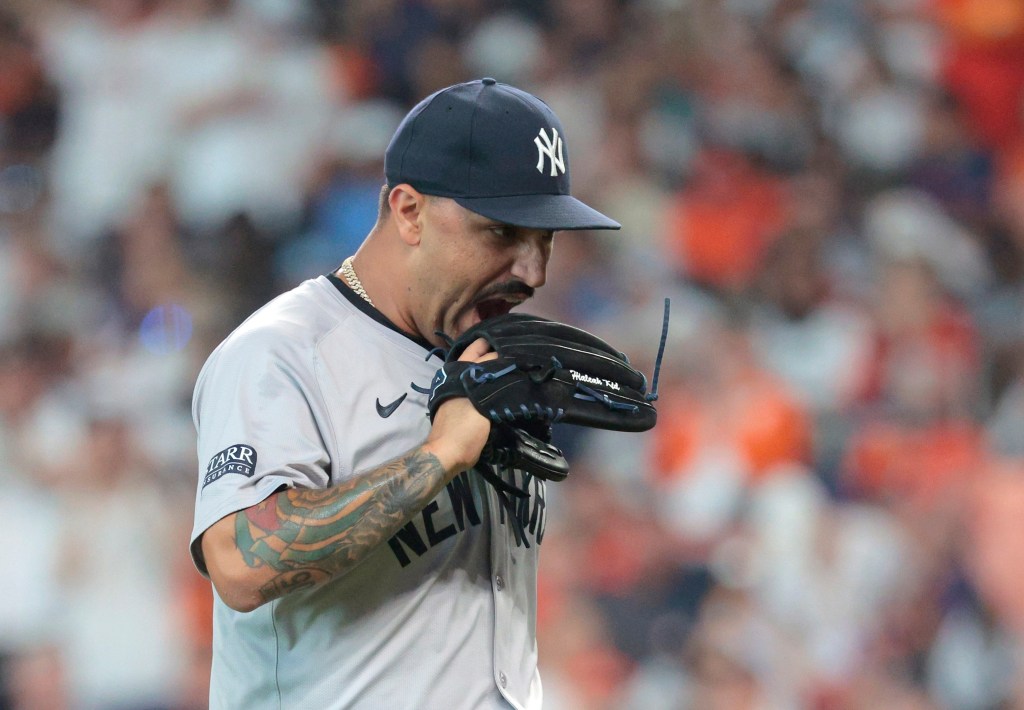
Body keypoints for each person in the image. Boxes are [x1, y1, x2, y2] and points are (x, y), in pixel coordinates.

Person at [189, 77, 621, 709]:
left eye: (545, 238)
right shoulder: (283, 351)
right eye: (503, 233)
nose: (534, 272)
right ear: (410, 210)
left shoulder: (488, 358)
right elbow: (240, 563)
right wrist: (441, 453)